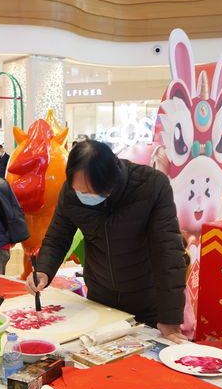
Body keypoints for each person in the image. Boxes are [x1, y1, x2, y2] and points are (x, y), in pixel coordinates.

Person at [26, 140, 187, 342]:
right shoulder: (71, 192)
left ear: (111, 180)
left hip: (145, 299)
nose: (83, 196)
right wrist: (43, 270)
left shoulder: (152, 185)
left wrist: (169, 317)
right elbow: (58, 237)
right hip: (99, 300)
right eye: (79, 190)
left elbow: (168, 253)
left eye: (90, 192)